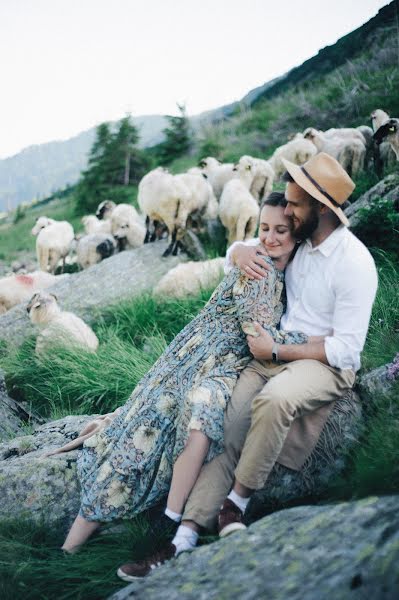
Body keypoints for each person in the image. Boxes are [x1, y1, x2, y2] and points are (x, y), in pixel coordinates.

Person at [117, 152, 378, 581]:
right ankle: (180, 541)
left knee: (274, 401)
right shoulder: (300, 243)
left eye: (296, 204)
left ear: (323, 208)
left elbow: (347, 350)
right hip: (269, 353)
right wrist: (237, 250)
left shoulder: (354, 263)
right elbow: (246, 251)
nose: (288, 211)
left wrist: (276, 350)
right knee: (227, 426)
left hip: (318, 361)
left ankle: (234, 503)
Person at [61, 192, 310, 554]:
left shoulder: (272, 266)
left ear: (297, 234)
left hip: (207, 357)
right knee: (149, 427)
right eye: (264, 228)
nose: (269, 237)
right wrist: (315, 340)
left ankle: (167, 518)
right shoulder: (259, 269)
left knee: (188, 416)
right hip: (202, 357)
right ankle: (76, 546)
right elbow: (258, 336)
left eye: (280, 230)